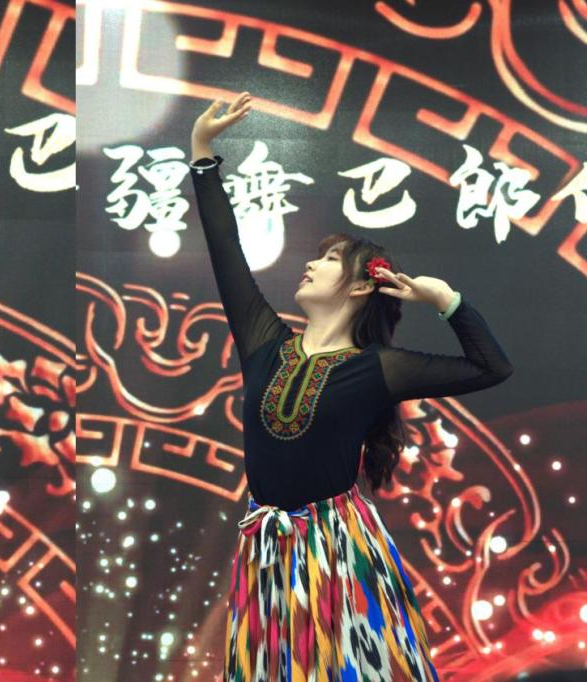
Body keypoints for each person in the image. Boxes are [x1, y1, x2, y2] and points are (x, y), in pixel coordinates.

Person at [189, 93, 513, 681]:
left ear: (362, 286)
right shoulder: (265, 343)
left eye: (331, 259)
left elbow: (492, 367)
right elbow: (225, 251)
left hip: (336, 551)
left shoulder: (379, 368)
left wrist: (446, 301)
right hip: (266, 551)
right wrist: (203, 152)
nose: (312, 264)